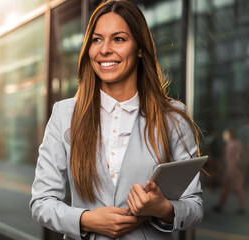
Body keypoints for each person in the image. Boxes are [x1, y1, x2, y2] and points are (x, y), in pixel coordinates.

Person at [30, 0, 203, 239]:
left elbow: (194, 206)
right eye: (97, 39)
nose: (104, 49)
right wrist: (86, 220)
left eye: (118, 39)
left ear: (140, 48)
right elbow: (41, 202)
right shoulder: (64, 114)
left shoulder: (172, 117)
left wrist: (162, 208)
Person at [212, 128, 246, 214]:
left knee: (234, 188)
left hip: (232, 169)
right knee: (233, 188)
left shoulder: (231, 144)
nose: (224, 136)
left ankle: (222, 205)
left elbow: (234, 159)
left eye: (225, 134)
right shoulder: (237, 143)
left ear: (230, 135)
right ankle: (223, 205)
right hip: (234, 169)